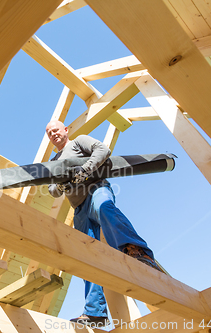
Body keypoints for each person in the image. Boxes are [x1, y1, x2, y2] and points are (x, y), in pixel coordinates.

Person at [46, 120, 163, 327]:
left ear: (65, 130)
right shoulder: (53, 160)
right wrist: (63, 183)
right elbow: (51, 190)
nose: (53, 133)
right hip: (79, 209)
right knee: (88, 256)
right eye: (49, 133)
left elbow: (103, 149)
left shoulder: (79, 142)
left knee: (105, 208)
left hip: (96, 189)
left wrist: (86, 169)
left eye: (56, 129)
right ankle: (95, 313)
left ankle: (138, 252)